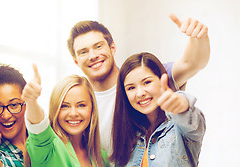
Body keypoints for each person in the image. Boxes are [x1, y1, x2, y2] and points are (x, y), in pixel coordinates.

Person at [100, 52, 210, 167]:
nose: (140, 93)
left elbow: (193, 123)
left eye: (147, 82)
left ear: (162, 81)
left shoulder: (178, 128)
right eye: (130, 87)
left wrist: (181, 104)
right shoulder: (127, 139)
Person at [67, 14, 210, 157]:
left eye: (98, 46)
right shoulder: (79, 104)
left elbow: (192, 63)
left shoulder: (146, 80)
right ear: (76, 61)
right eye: (83, 52)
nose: (92, 56)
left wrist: (198, 38)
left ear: (112, 47)